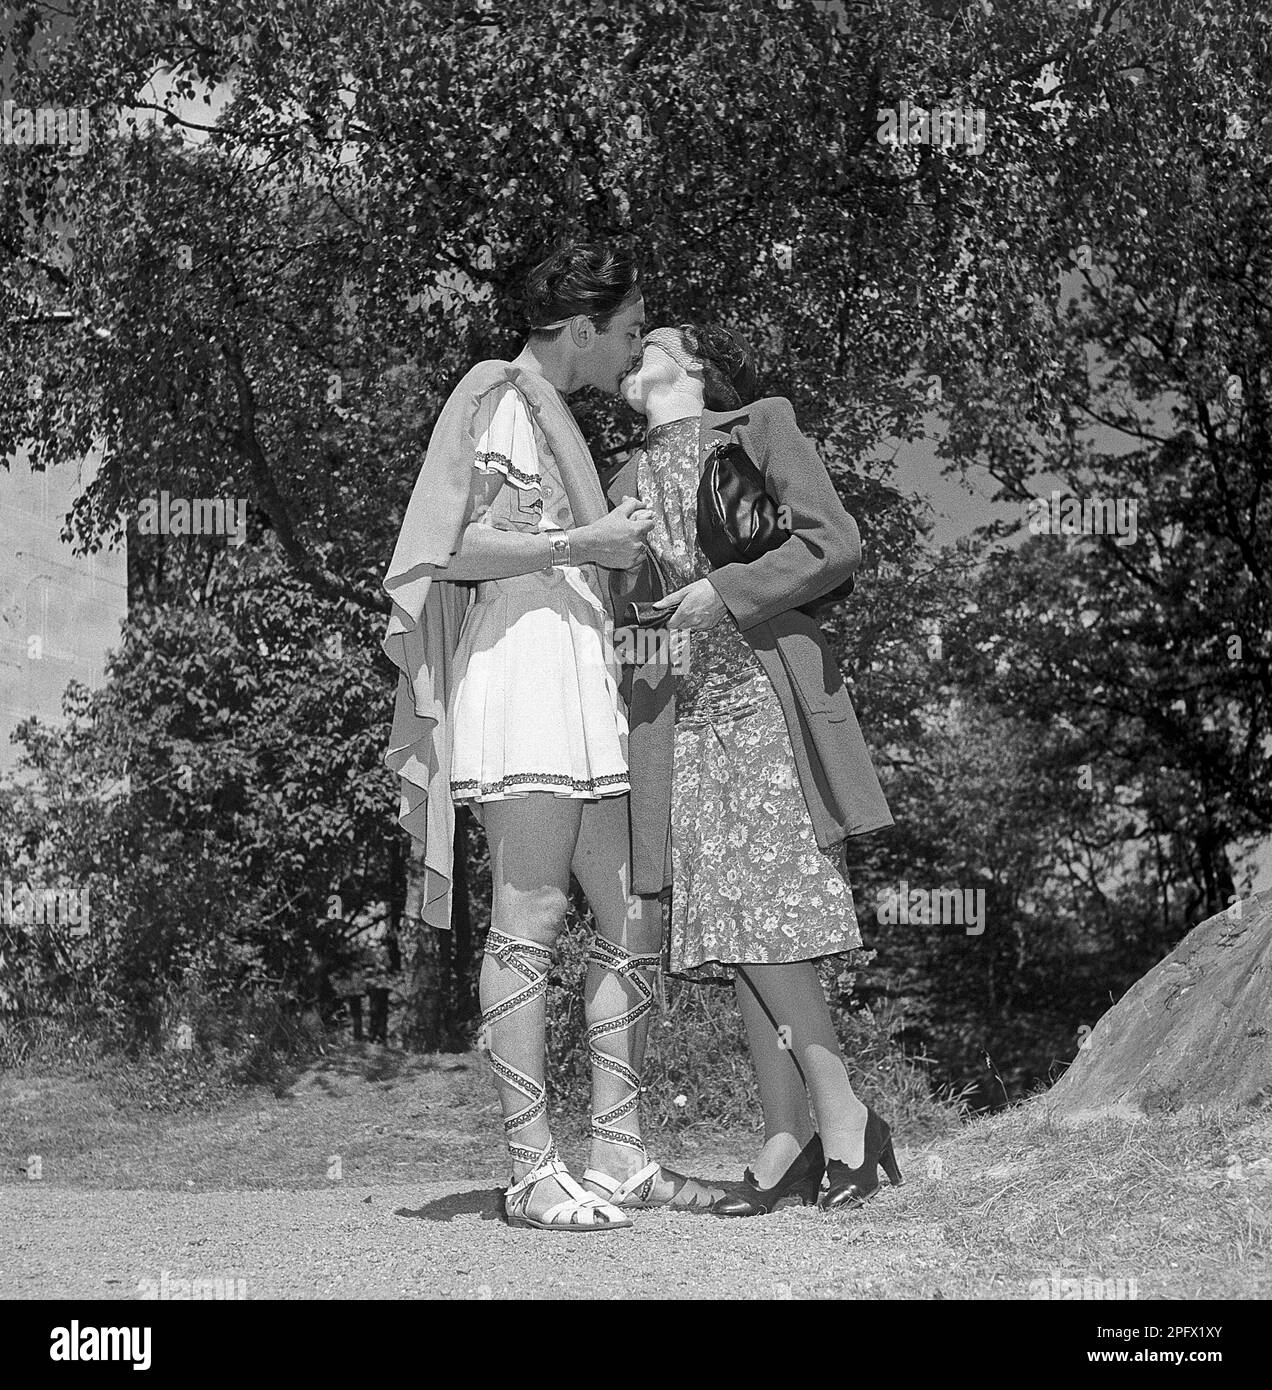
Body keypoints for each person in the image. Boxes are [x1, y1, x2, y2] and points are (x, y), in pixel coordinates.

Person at [382, 247, 721, 1231]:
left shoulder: (556, 419)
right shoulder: (498, 397)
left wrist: (612, 547)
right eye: (625, 330)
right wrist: (585, 542)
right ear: (579, 327)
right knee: (525, 924)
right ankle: (532, 1170)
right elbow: (450, 549)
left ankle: (616, 1152)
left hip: (581, 690)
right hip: (523, 683)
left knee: (631, 923)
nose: (630, 350)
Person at [606, 323, 903, 1215]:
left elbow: (833, 544)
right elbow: (626, 625)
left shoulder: (760, 427)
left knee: (769, 918)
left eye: (650, 341)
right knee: (735, 930)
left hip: (768, 711)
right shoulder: (616, 485)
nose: (632, 353)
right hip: (682, 727)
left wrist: (721, 593)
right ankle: (787, 1136)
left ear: (692, 365)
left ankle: (843, 1118)